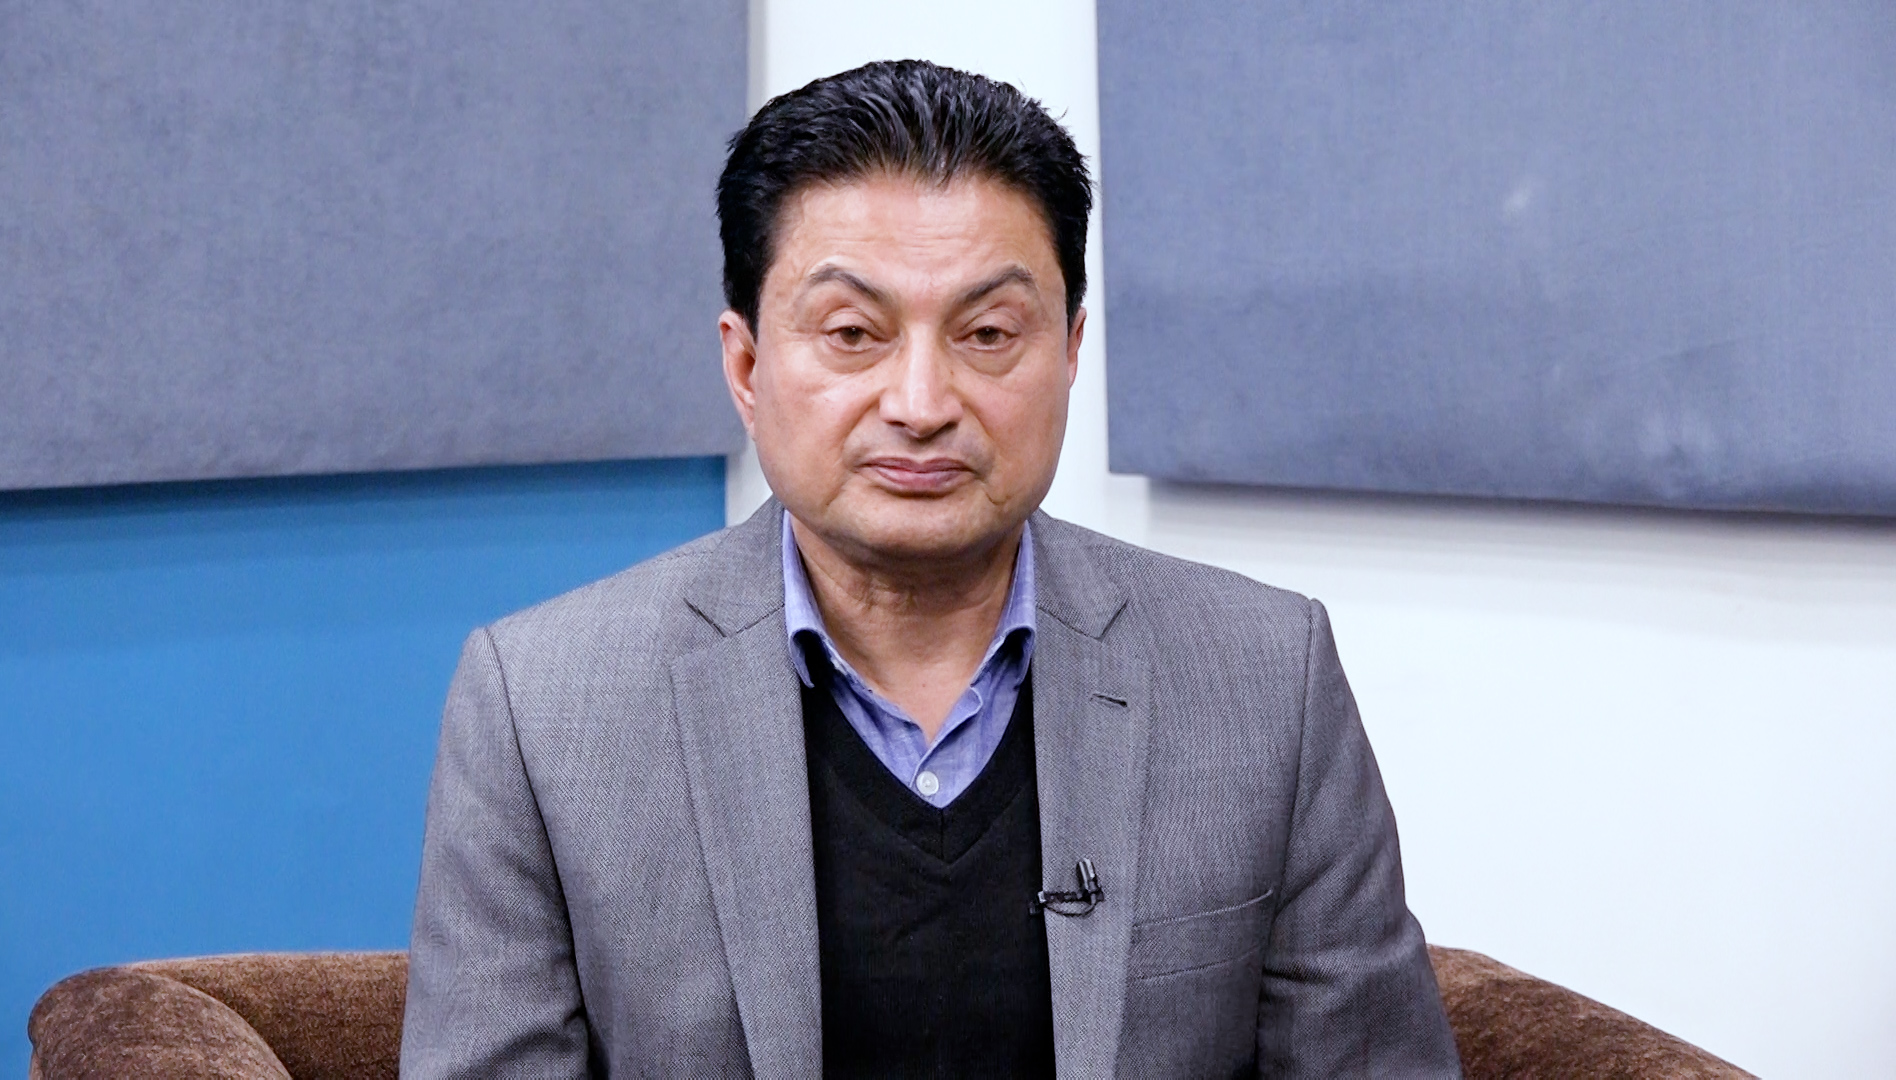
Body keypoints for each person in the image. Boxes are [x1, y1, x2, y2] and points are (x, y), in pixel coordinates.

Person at [401, 59, 1461, 1079]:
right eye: (853, 333)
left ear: (1071, 353)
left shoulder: (1268, 680)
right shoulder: (542, 711)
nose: (921, 403)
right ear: (747, 365)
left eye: (988, 333)